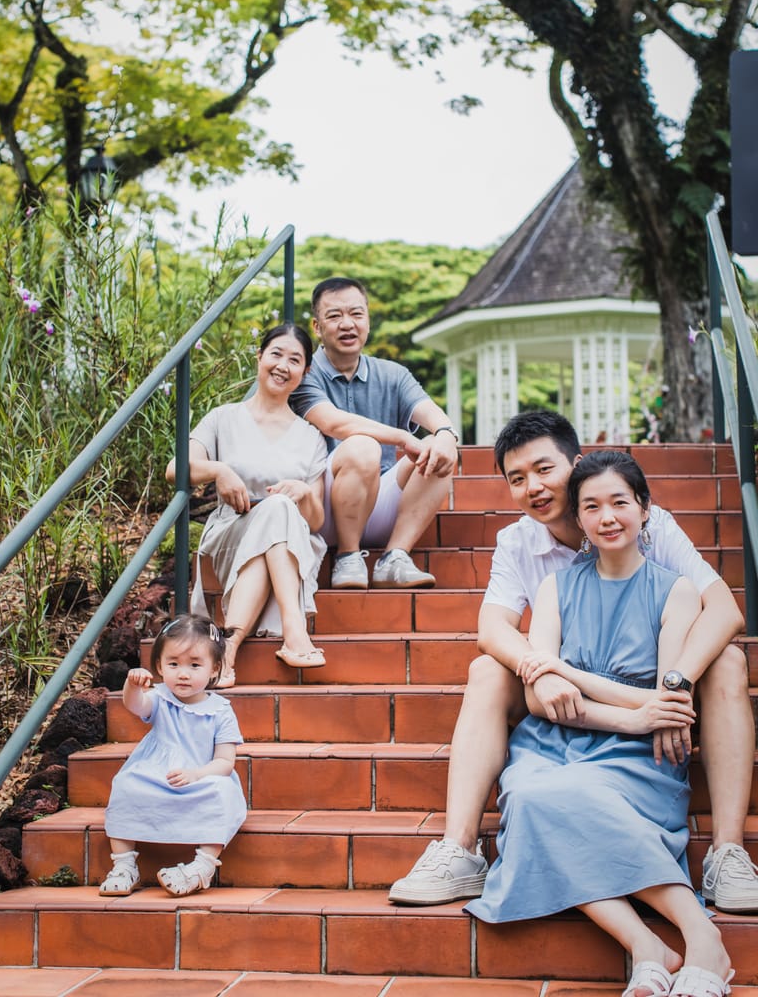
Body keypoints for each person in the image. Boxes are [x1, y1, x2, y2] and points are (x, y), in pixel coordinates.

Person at [390, 410, 758, 915]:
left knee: (730, 663)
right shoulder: (518, 541)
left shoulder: (646, 525)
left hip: (652, 683)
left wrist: (676, 682)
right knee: (485, 671)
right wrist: (538, 668)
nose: (533, 488)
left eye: (544, 469)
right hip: (563, 697)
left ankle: (728, 852)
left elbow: (724, 610)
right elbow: (492, 628)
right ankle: (459, 848)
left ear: (577, 463)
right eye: (516, 479)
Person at [465, 450, 733, 997]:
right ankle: (647, 945)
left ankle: (703, 940)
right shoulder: (556, 588)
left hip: (639, 759)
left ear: (644, 509)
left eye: (619, 503)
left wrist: (567, 670)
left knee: (564, 803)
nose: (607, 516)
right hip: (552, 744)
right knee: (533, 799)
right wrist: (630, 714)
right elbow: (541, 700)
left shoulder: (674, 591)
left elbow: (664, 698)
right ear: (580, 518)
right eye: (591, 506)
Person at [166, 323, 328, 686]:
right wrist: (219, 470)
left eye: (295, 359)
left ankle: (228, 648)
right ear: (259, 357)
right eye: (276, 354)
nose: (283, 365)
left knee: (279, 510)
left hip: (291, 539)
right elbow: (175, 468)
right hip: (231, 529)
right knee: (275, 511)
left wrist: (303, 492)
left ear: (305, 372)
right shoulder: (224, 418)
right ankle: (295, 631)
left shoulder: (311, 436)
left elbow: (316, 521)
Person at [289, 277, 459, 589]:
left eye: (356, 314)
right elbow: (333, 423)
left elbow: (432, 414)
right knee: (362, 446)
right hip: (322, 509)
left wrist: (447, 435)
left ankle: (394, 557)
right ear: (316, 326)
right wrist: (401, 437)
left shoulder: (393, 374)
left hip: (381, 504)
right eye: (334, 316)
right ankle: (348, 557)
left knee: (437, 448)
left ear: (368, 319)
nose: (347, 324)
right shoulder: (302, 371)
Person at [100, 615, 247, 898]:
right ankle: (124, 865)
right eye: (173, 664)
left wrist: (197, 774)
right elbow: (135, 705)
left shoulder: (220, 711)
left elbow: (226, 762)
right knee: (126, 784)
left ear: (214, 667)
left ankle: (202, 866)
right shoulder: (159, 698)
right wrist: (133, 685)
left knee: (223, 794)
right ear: (159, 666)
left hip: (202, 775)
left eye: (194, 665)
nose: (183, 673)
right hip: (157, 773)